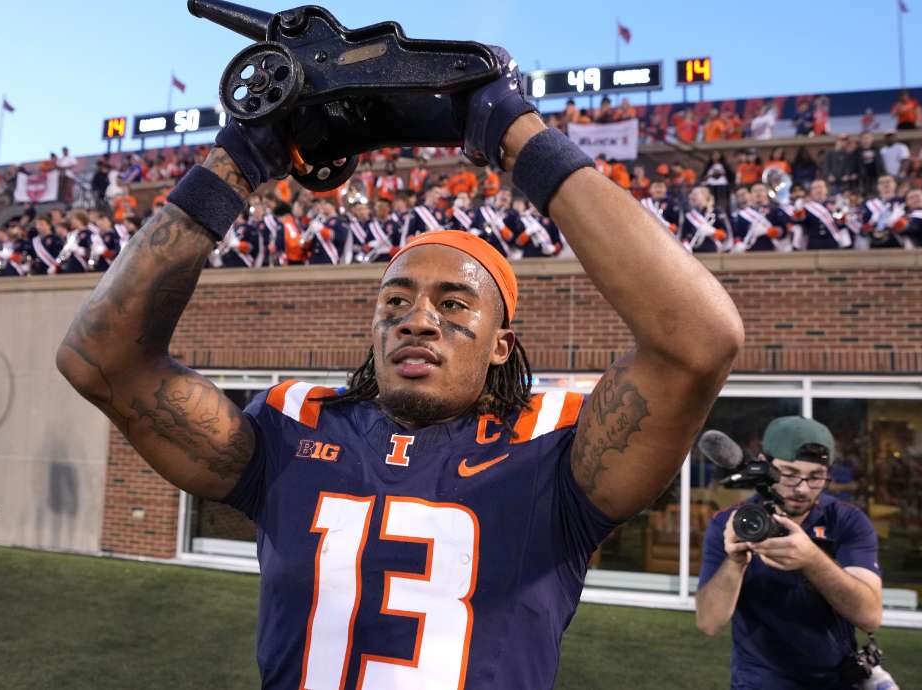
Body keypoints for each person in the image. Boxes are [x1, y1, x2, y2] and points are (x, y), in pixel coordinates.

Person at [56, 45, 743, 690]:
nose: (418, 319)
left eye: (454, 303)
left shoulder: (552, 449)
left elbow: (699, 341)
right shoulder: (293, 426)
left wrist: (516, 131)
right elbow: (101, 362)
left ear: (501, 345)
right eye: (396, 301)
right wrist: (236, 160)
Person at [695, 417, 883, 689]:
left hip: (836, 681)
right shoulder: (731, 524)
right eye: (789, 473)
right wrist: (735, 562)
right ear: (763, 464)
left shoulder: (846, 521)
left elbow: (870, 617)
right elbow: (708, 623)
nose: (802, 488)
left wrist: (812, 560)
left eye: (816, 476)